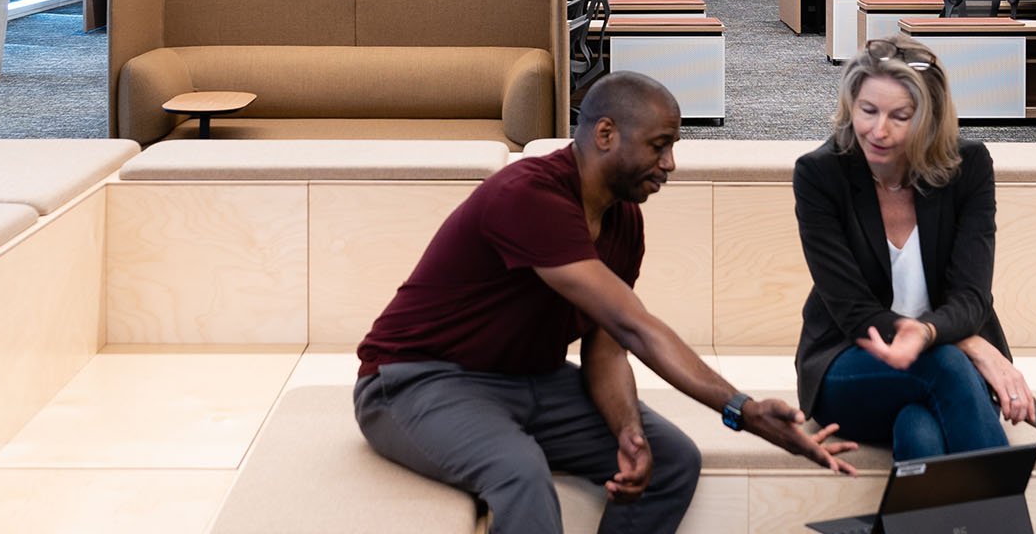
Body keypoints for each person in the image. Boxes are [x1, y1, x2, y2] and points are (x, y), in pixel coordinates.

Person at [354, 73, 855, 533]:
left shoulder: (622, 219)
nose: (670, 164)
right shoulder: (529, 196)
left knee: (672, 459)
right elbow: (634, 325)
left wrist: (628, 432)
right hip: (417, 380)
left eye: (673, 147)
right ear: (606, 134)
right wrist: (742, 411)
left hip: (533, 380)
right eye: (659, 146)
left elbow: (608, 346)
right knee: (519, 474)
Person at [792, 37, 1036, 462]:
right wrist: (968, 345)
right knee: (943, 366)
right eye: (868, 111)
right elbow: (852, 311)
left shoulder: (968, 168)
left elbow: (971, 298)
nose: (878, 130)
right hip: (853, 364)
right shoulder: (821, 175)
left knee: (919, 430)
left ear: (928, 118)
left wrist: (928, 334)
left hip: (946, 373)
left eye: (900, 116)